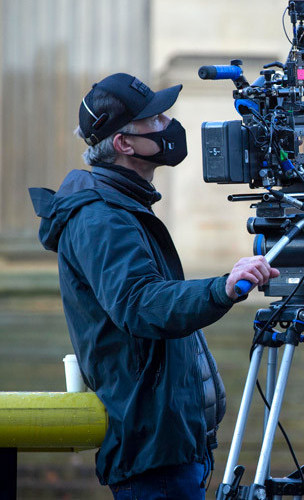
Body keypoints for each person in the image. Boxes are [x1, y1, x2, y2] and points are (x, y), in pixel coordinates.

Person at [29, 73, 279, 499]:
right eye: (155, 119)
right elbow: (141, 302)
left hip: (171, 446)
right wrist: (222, 288)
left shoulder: (124, 206)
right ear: (124, 144)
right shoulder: (101, 217)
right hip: (154, 452)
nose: (168, 124)